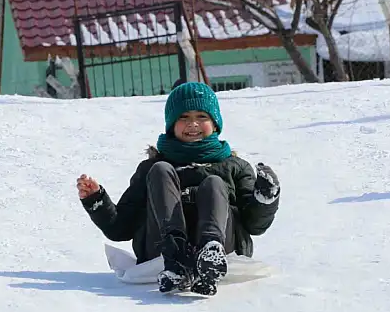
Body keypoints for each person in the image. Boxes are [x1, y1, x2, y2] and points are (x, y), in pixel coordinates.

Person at [76, 82, 280, 296]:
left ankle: (210, 253)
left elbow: (254, 225)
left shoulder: (234, 166)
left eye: (202, 116)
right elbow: (120, 229)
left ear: (215, 123)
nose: (193, 124)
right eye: (183, 117)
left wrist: (264, 199)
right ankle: (175, 252)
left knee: (214, 183)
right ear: (171, 124)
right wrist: (96, 201)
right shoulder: (150, 170)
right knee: (161, 170)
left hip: (224, 247)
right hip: (160, 251)